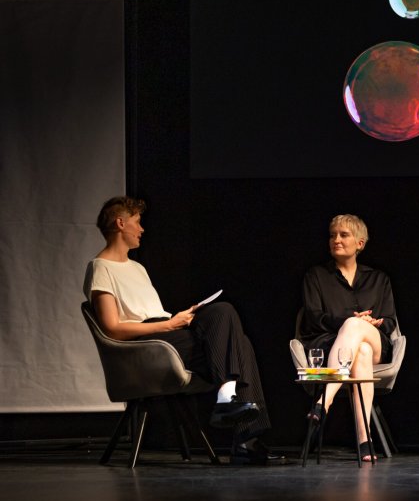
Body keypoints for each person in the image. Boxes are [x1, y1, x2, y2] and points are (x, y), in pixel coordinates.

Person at [84, 196, 283, 465]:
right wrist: (169, 324)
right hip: (147, 344)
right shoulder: (100, 267)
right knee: (230, 325)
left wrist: (182, 319)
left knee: (225, 320)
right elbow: (112, 329)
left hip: (168, 335)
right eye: (138, 223)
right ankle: (244, 436)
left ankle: (233, 409)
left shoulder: (138, 268)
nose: (142, 229)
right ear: (120, 223)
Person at [298, 214, 396, 462]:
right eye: (332, 235)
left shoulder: (379, 279)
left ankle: (323, 401)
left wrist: (373, 322)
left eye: (344, 235)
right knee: (359, 350)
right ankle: (365, 441)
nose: (336, 240)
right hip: (330, 343)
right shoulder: (316, 276)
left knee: (360, 334)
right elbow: (313, 318)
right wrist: (348, 321)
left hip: (376, 344)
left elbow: (391, 321)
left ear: (360, 243)